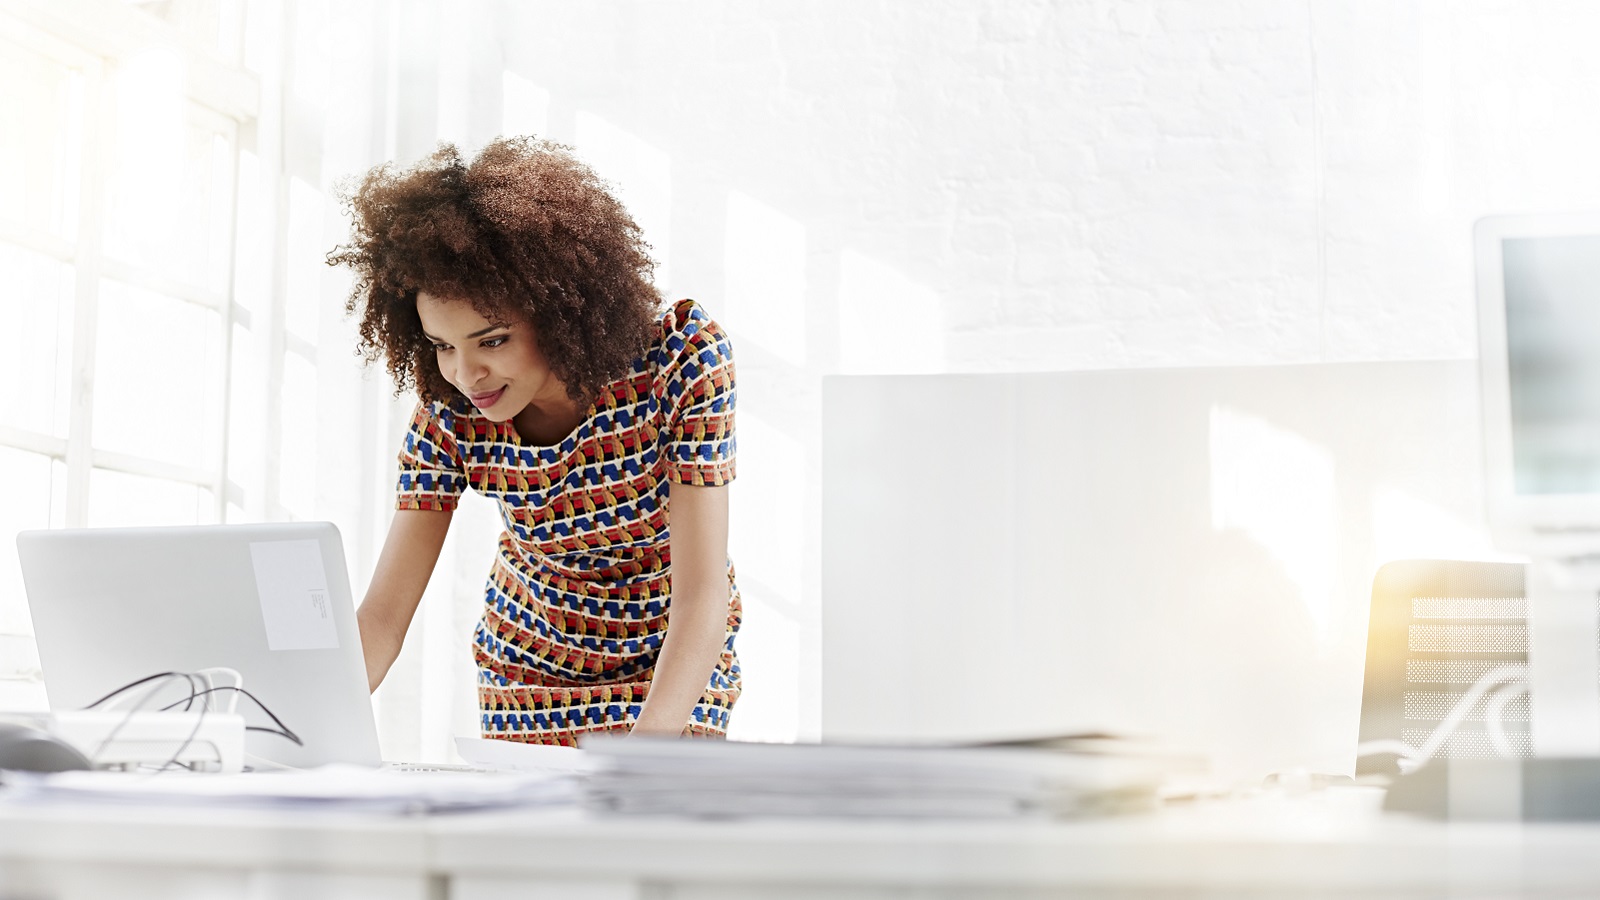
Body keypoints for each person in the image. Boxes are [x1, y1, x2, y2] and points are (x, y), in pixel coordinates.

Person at [328, 137, 741, 744]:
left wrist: (645, 754)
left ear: (559, 310)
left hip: (674, 656)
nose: (467, 374)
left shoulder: (680, 359)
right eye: (444, 346)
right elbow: (384, 617)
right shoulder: (452, 410)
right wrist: (293, 727)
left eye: (491, 340)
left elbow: (703, 593)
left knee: (650, 830)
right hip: (529, 673)